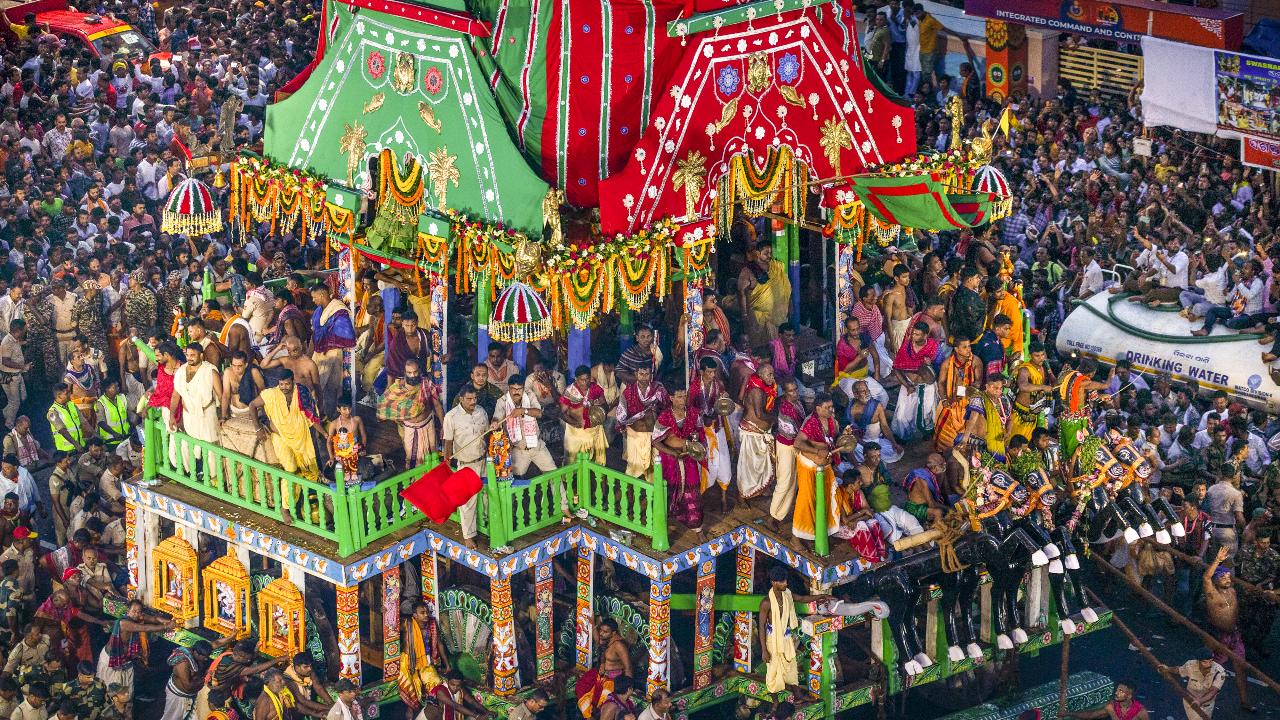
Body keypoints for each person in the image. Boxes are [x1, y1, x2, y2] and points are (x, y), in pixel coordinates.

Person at [792, 395, 854, 543]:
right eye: (827, 408)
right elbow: (798, 443)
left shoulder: (832, 420)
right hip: (809, 465)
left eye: (831, 407)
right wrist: (817, 452)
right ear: (818, 408)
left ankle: (818, 533)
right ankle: (796, 538)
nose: (831, 410)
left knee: (825, 498)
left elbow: (833, 439)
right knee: (806, 500)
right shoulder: (810, 421)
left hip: (825, 466)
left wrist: (844, 436)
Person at [758, 566, 828, 697]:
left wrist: (821, 596)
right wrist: (764, 650)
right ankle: (775, 702)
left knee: (791, 667)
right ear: (774, 582)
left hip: (786, 638)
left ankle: (799, 697)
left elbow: (802, 599)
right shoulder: (766, 603)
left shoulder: (787, 594)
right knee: (774, 672)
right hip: (773, 641)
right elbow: (761, 626)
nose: (785, 584)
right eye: (782, 582)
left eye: (785, 581)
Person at [1202, 546, 1252, 711]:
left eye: (1228, 576)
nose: (1227, 578)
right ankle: (1203, 701)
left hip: (1234, 635)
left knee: (1240, 667)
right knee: (1214, 670)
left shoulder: (1232, 591)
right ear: (1216, 580)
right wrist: (1217, 560)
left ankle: (1244, 701)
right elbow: (1206, 578)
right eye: (1222, 576)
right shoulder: (1212, 594)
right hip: (1218, 636)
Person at [442, 385, 492, 549]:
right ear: (461, 399)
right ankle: (468, 536)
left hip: (483, 461)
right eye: (469, 399)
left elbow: (488, 434)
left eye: (475, 398)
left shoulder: (481, 411)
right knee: (468, 502)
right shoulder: (452, 416)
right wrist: (447, 459)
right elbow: (448, 441)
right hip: (466, 464)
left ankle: (487, 526)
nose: (473, 402)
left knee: (487, 496)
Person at [655, 386, 707, 535]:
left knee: (693, 494)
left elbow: (701, 435)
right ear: (671, 398)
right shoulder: (664, 417)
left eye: (684, 396)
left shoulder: (694, 414)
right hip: (670, 462)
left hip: (689, 460)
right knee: (670, 492)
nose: (682, 400)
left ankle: (697, 528)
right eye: (679, 397)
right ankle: (664, 523)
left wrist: (698, 445)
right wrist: (672, 452)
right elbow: (656, 441)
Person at [170, 343, 222, 470]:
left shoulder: (210, 371)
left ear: (201, 355)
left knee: (211, 449)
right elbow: (176, 395)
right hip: (189, 416)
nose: (189, 358)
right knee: (189, 445)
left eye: (193, 355)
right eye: (187, 355)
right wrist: (172, 416)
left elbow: (221, 396)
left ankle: (214, 478)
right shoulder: (181, 371)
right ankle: (192, 472)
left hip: (207, 414)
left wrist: (223, 416)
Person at [310, 284, 356, 418]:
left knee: (331, 386)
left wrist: (327, 341)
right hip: (318, 352)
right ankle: (317, 414)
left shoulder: (339, 311)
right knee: (315, 383)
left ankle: (331, 416)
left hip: (332, 353)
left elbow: (347, 335)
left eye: (314, 297)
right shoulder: (318, 311)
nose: (313, 300)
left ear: (322, 295)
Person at [615, 365, 667, 479]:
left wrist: (655, 411)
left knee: (654, 468)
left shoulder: (658, 389)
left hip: (653, 435)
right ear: (636, 374)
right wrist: (623, 427)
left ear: (651, 375)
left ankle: (652, 495)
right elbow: (621, 415)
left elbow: (666, 409)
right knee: (633, 468)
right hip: (635, 435)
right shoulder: (628, 392)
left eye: (647, 374)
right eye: (641, 374)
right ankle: (629, 494)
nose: (644, 378)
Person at [737, 362, 777, 508]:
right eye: (769, 374)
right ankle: (742, 495)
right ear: (760, 375)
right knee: (748, 467)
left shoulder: (761, 387)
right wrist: (775, 419)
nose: (772, 378)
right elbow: (760, 415)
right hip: (753, 432)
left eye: (772, 374)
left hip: (759, 433)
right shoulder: (757, 391)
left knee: (760, 465)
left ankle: (760, 488)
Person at [767, 379, 804, 534]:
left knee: (793, 482)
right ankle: (772, 517)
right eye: (791, 390)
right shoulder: (785, 407)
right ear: (785, 391)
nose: (794, 393)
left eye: (796, 389)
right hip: (787, 446)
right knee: (784, 482)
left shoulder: (797, 403)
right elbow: (794, 432)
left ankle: (779, 515)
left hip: (795, 445)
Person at [890, 322, 938, 442]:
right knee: (903, 414)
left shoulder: (933, 346)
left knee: (927, 413)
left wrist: (929, 365)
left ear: (925, 335)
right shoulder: (906, 347)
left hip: (927, 386)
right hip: (909, 384)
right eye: (913, 333)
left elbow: (939, 368)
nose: (913, 336)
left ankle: (926, 438)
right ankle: (902, 439)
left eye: (917, 334)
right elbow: (896, 368)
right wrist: (907, 385)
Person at [575, 618, 631, 720]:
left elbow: (628, 666)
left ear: (613, 633)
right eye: (601, 630)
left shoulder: (619, 645)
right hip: (603, 677)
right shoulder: (608, 640)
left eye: (605, 632)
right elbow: (598, 640)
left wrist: (628, 686)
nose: (601, 633)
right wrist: (593, 625)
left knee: (602, 704)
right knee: (583, 692)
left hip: (613, 680)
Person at [933, 336, 982, 452]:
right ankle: (942, 454)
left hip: (969, 402)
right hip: (950, 401)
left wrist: (969, 389)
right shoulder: (947, 363)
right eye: (964, 347)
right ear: (956, 349)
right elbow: (941, 383)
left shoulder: (976, 361)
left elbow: (979, 381)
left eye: (969, 346)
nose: (969, 349)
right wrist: (944, 400)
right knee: (942, 423)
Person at [739, 245, 791, 348]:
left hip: (777, 315)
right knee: (760, 345)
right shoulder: (747, 271)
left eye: (771, 253)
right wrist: (744, 315)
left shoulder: (776, 267)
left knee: (777, 345)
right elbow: (741, 294)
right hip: (757, 316)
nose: (769, 256)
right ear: (758, 253)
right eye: (766, 253)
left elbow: (786, 289)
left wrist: (789, 306)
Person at [1160, 648, 1227, 720]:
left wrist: (1199, 701)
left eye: (1211, 661)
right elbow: (1179, 670)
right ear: (1198, 662)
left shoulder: (1219, 672)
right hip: (1189, 699)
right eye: (1205, 662)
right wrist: (1167, 669)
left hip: (1205, 706)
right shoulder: (1191, 665)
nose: (1209, 665)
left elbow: (1213, 692)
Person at [561, 365, 608, 464]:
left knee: (599, 456)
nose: (585, 382)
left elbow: (605, 405)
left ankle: (600, 475)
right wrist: (574, 423)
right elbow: (563, 412)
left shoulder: (595, 388)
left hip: (594, 428)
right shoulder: (570, 392)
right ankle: (569, 477)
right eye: (582, 380)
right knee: (572, 458)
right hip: (576, 430)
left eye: (587, 379)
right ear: (576, 379)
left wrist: (600, 411)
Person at [161, 640, 212, 720]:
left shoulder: (199, 651)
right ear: (196, 653)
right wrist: (205, 678)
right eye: (204, 656)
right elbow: (188, 686)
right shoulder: (183, 663)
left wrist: (232, 636)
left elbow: (217, 643)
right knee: (172, 717)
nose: (206, 659)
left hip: (186, 697)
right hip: (178, 698)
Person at [423, 671, 492, 720]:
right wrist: (477, 716)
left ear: (461, 684)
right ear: (447, 682)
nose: (455, 688)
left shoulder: (460, 689)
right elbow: (456, 706)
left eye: (458, 685)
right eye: (452, 685)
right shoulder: (441, 691)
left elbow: (472, 701)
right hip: (428, 717)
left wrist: (487, 711)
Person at [1063, 680, 1148, 720]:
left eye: (1121, 691)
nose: (1116, 693)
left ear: (1129, 696)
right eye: (1117, 690)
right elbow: (1091, 715)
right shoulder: (1112, 707)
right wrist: (1068, 713)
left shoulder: (1140, 712)